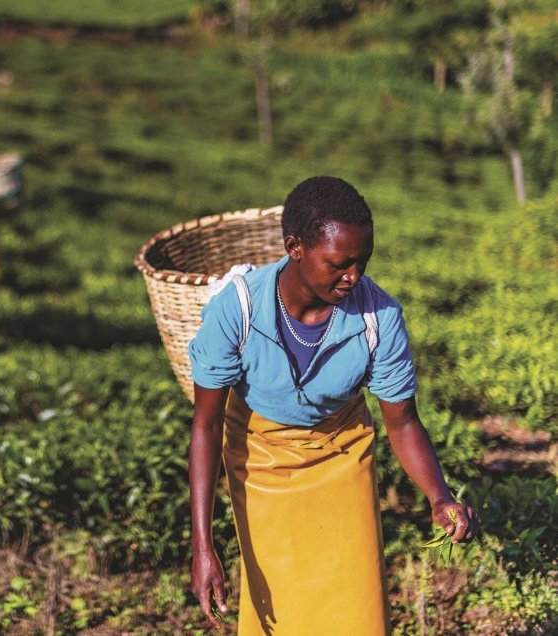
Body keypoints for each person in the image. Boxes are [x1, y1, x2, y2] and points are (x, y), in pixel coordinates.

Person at [187, 176, 478, 635]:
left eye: (363, 262)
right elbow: (205, 427)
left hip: (343, 458)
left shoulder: (378, 318)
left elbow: (402, 423)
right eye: (340, 264)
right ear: (295, 247)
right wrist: (202, 544)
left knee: (354, 606)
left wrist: (438, 494)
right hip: (259, 462)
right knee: (277, 606)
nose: (354, 277)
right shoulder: (238, 310)